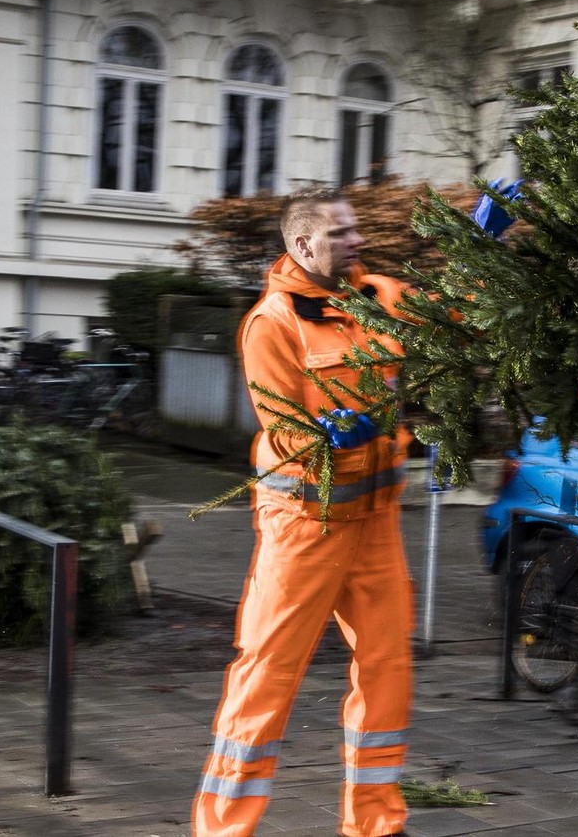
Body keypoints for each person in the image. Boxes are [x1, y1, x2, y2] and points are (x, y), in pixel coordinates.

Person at [193, 185, 415, 837]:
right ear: (302, 243)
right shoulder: (272, 323)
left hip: (375, 522)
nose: (356, 240)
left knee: (386, 665)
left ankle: (376, 823)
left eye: (355, 230)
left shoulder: (378, 297)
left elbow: (452, 316)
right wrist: (327, 437)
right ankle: (223, 829)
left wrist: (481, 249)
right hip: (304, 527)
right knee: (267, 673)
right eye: (341, 232)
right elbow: (284, 429)